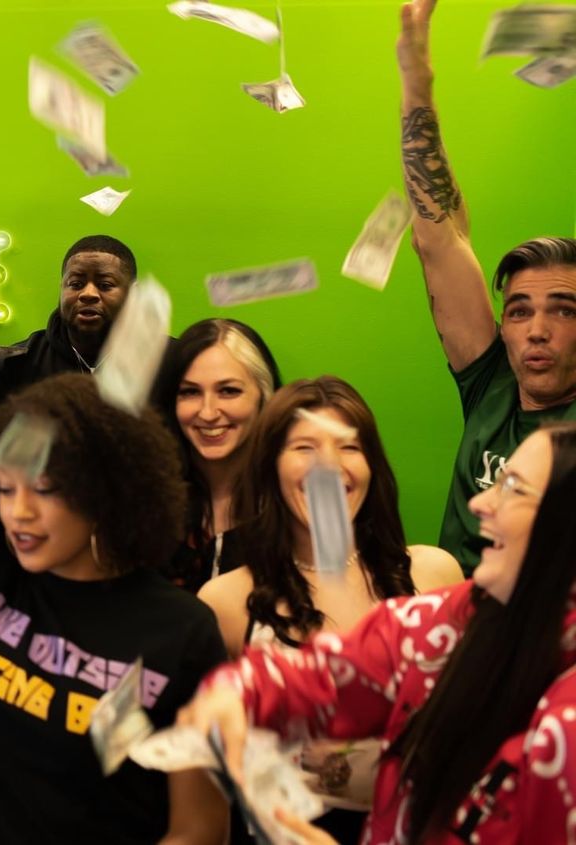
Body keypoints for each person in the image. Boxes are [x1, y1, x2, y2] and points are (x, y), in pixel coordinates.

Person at [0, 173, 228, 843]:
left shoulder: (184, 632)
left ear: (108, 488)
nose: (17, 513)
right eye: (7, 488)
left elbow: (198, 829)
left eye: (44, 490)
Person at [181, 421, 576, 843]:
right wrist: (234, 692)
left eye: (513, 488)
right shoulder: (450, 618)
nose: (480, 502)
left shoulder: (566, 727)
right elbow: (331, 674)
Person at [195, 377, 461, 837]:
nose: (329, 466)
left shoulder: (433, 576)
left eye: (349, 447)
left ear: (372, 465)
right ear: (270, 466)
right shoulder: (226, 602)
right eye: (305, 447)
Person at [396, 0, 576, 572]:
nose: (537, 330)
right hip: (456, 616)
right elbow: (438, 237)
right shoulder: (492, 381)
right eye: (519, 311)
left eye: (564, 310)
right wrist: (416, 79)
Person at [151, 318, 282, 591]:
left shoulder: (293, 499)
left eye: (228, 391)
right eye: (190, 392)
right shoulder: (148, 500)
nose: (208, 413)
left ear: (264, 395)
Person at [0, 234, 142, 409]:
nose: (88, 294)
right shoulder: (15, 365)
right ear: (62, 288)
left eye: (105, 285)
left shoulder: (161, 365)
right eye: (76, 284)